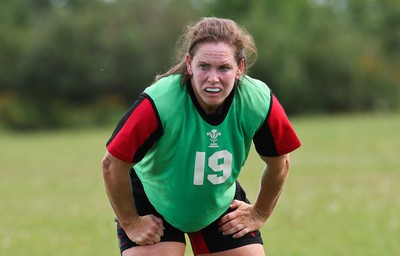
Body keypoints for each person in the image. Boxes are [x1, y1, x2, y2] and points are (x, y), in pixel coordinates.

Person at [102, 17, 301, 256]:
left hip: (216, 200)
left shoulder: (257, 101)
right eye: (204, 66)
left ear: (240, 68)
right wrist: (131, 222)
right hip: (154, 196)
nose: (213, 78)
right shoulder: (160, 101)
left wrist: (259, 212)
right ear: (189, 64)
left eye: (224, 68)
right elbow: (112, 164)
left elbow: (280, 162)